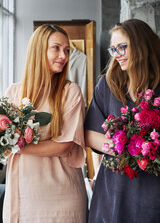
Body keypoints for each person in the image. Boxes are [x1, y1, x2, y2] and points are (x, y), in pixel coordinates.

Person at [3, 24, 88, 222]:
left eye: (67, 50)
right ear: (39, 49)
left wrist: (16, 146)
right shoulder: (13, 93)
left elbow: (64, 145)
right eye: (56, 48)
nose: (64, 56)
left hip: (63, 197)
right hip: (23, 195)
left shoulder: (70, 92)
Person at [84, 19, 160, 223]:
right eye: (113, 49)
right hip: (114, 191)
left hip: (152, 190)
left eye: (122, 47)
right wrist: (128, 148)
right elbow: (90, 135)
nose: (116, 55)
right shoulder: (107, 85)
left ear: (141, 46)